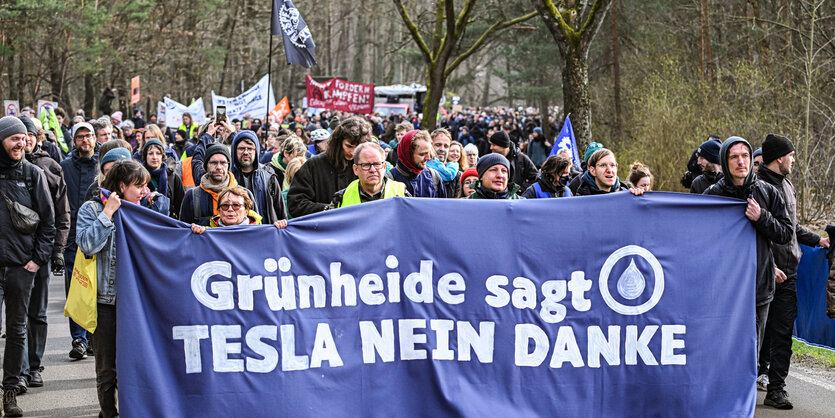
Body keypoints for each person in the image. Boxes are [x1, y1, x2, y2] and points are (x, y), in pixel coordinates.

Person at [76, 159, 167, 418]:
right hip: (106, 301)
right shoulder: (92, 209)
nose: (143, 191)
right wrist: (108, 213)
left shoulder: (143, 210)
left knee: (137, 365)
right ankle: (108, 413)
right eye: (138, 186)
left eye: (145, 186)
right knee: (107, 368)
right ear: (121, 185)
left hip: (139, 303)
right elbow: (87, 245)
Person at [704, 136, 792, 374]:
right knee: (721, 351)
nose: (741, 161)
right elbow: (700, 239)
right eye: (734, 157)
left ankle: (743, 407)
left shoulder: (768, 193)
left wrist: (761, 217)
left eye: (745, 156)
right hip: (723, 288)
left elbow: (786, 233)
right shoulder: (712, 194)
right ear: (725, 161)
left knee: (750, 353)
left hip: (758, 287)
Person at [755, 134, 830, 409]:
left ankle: (777, 389)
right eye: (792, 155)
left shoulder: (787, 184)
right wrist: (768, 265)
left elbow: (791, 228)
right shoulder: (758, 187)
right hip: (763, 274)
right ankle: (744, 382)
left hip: (790, 272)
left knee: (783, 332)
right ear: (779, 158)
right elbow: (753, 232)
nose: (794, 160)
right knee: (755, 334)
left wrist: (816, 239)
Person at [0, 116, 56, 416]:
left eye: (23, 138)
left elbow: (49, 222)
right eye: (13, 138)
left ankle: (10, 394)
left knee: (17, 329)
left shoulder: (34, 174)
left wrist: (37, 260)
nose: (20, 143)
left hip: (22, 267)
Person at [20, 116, 70, 389]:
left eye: (29, 134)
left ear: (36, 137)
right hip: (11, 255)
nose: (24, 139)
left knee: (37, 313)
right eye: (19, 135)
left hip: (41, 252)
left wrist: (58, 249)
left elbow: (62, 213)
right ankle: (19, 370)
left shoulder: (50, 166)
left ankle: (34, 366)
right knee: (17, 315)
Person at [59, 121, 99, 360]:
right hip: (72, 237)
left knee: (98, 288)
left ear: (95, 138)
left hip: (100, 233)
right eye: (81, 137)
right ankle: (79, 339)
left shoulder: (104, 164)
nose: (85, 140)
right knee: (77, 288)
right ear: (74, 141)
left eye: (89, 136)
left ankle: (95, 337)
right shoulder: (64, 167)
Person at [287, 117, 373, 217]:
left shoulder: (368, 167)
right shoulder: (314, 165)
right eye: (349, 146)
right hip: (323, 229)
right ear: (338, 142)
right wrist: (329, 209)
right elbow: (296, 203)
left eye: (358, 148)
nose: (353, 152)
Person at [180, 143, 253, 225]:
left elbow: (255, 227)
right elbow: (184, 231)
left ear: (228, 166)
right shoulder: (192, 196)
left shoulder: (245, 195)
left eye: (223, 163)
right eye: (214, 163)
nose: (218, 167)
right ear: (206, 166)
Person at [229, 130, 285, 224]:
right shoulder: (228, 178)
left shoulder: (268, 177)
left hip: (265, 232)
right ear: (235, 150)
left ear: (256, 151)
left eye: (250, 148)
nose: (246, 152)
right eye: (241, 148)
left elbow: (280, 212)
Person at [333, 142, 408, 207]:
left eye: (377, 164)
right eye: (366, 165)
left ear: (384, 167)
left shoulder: (402, 192)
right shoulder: (340, 198)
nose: (372, 170)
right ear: (356, 169)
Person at [190, 187, 287, 232]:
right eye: (225, 205)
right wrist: (197, 235)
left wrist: (281, 231)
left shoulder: (262, 233)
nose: (230, 209)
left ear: (246, 211)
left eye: (236, 205)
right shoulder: (206, 233)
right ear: (219, 211)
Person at [385, 130, 447, 198]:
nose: (428, 158)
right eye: (422, 154)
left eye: (428, 153)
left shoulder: (433, 177)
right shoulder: (389, 180)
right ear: (408, 154)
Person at [142, 138, 183, 218]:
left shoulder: (172, 177)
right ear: (145, 156)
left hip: (168, 221)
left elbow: (180, 206)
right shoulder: (139, 176)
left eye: (158, 153)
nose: (154, 157)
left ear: (163, 156)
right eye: (150, 153)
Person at [427, 128, 461, 198]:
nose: (442, 149)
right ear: (430, 146)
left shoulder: (456, 174)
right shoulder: (423, 170)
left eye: (446, 146)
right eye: (438, 145)